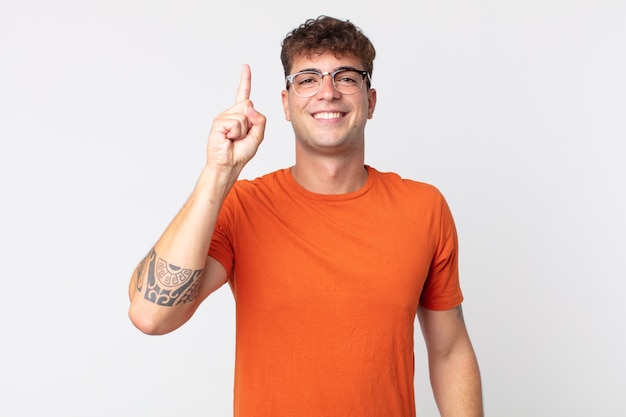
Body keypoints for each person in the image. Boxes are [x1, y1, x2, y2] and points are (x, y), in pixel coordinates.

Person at [128, 15, 483, 417]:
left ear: (371, 101)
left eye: (346, 77)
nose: (327, 93)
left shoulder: (424, 208)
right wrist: (218, 172)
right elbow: (150, 315)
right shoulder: (242, 207)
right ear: (286, 104)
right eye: (308, 79)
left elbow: (450, 350)